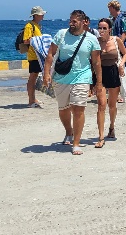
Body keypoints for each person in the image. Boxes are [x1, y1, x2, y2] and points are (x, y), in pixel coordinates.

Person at [43, 10, 102, 155]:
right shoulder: (61, 34)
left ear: (83, 22)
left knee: (78, 108)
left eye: (74, 21)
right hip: (62, 77)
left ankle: (76, 143)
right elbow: (50, 54)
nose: (71, 23)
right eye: (70, 20)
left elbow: (96, 62)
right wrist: (46, 73)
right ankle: (69, 131)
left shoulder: (91, 39)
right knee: (63, 109)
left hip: (82, 77)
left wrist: (98, 82)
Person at [95, 18, 126, 147]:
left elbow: (125, 54)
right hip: (100, 74)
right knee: (101, 105)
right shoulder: (96, 42)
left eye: (104, 28)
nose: (101, 30)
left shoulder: (116, 40)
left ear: (109, 29)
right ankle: (101, 137)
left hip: (113, 72)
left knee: (112, 105)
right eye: (99, 28)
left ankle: (112, 127)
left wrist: (121, 64)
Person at [108, 0, 126, 103]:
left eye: (109, 8)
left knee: (121, 69)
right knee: (115, 70)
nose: (109, 10)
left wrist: (119, 44)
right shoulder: (113, 19)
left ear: (113, 8)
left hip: (120, 47)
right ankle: (117, 94)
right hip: (115, 46)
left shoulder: (122, 18)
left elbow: (125, 32)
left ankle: (124, 94)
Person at [22, 6, 46, 108]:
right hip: (33, 56)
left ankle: (33, 98)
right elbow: (26, 40)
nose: (43, 15)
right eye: (41, 14)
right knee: (32, 78)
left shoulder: (37, 25)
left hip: (38, 55)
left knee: (35, 77)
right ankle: (31, 100)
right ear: (36, 15)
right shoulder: (29, 26)